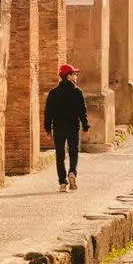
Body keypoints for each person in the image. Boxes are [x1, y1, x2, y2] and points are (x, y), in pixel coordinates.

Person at [44, 62, 90, 192]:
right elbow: (83, 111)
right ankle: (72, 173)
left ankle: (63, 183)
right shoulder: (77, 92)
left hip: (58, 128)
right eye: (74, 74)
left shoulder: (53, 93)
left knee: (60, 155)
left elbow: (48, 112)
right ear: (68, 76)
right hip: (73, 127)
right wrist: (85, 128)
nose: (76, 77)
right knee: (74, 152)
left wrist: (47, 129)